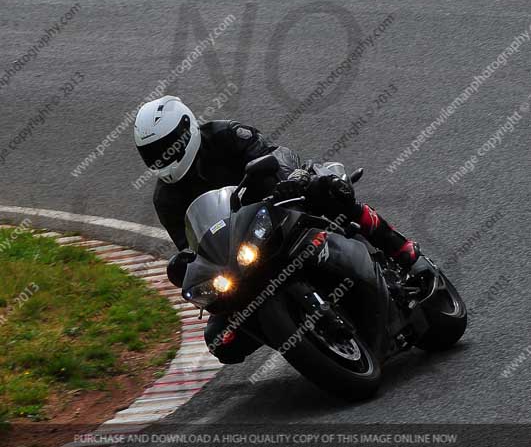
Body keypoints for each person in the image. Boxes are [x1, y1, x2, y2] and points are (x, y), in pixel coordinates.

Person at [134, 95, 422, 362]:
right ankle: (301, 335)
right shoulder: (166, 200)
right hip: (240, 250)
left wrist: (289, 180)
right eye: (152, 153)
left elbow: (273, 156)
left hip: (282, 202)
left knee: (329, 191)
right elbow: (191, 246)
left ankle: (397, 245)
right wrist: (187, 265)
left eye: (166, 147)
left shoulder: (226, 135)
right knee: (220, 340)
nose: (162, 157)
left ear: (187, 130)